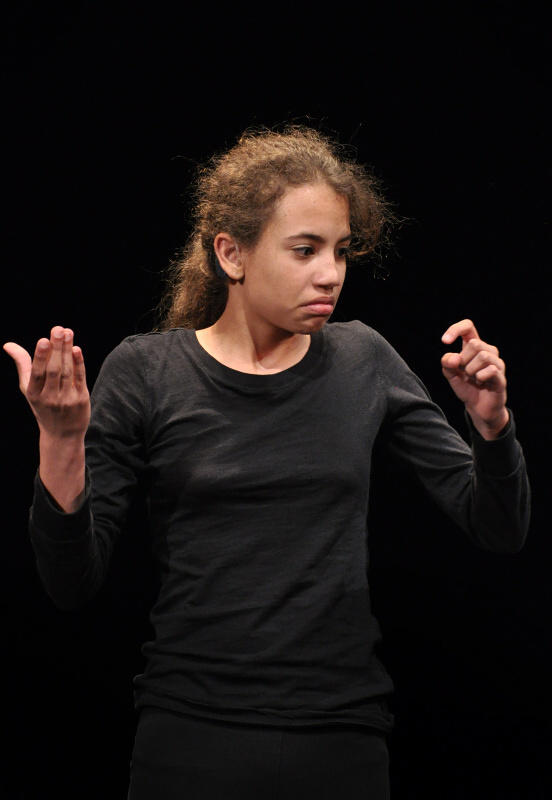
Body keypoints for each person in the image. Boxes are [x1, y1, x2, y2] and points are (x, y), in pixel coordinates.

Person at [4, 126, 530, 800]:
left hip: (339, 739)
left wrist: (491, 426)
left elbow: (499, 527)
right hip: (190, 738)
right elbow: (71, 582)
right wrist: (60, 440)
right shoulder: (147, 372)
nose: (330, 273)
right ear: (232, 254)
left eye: (341, 251)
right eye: (305, 250)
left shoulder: (364, 358)